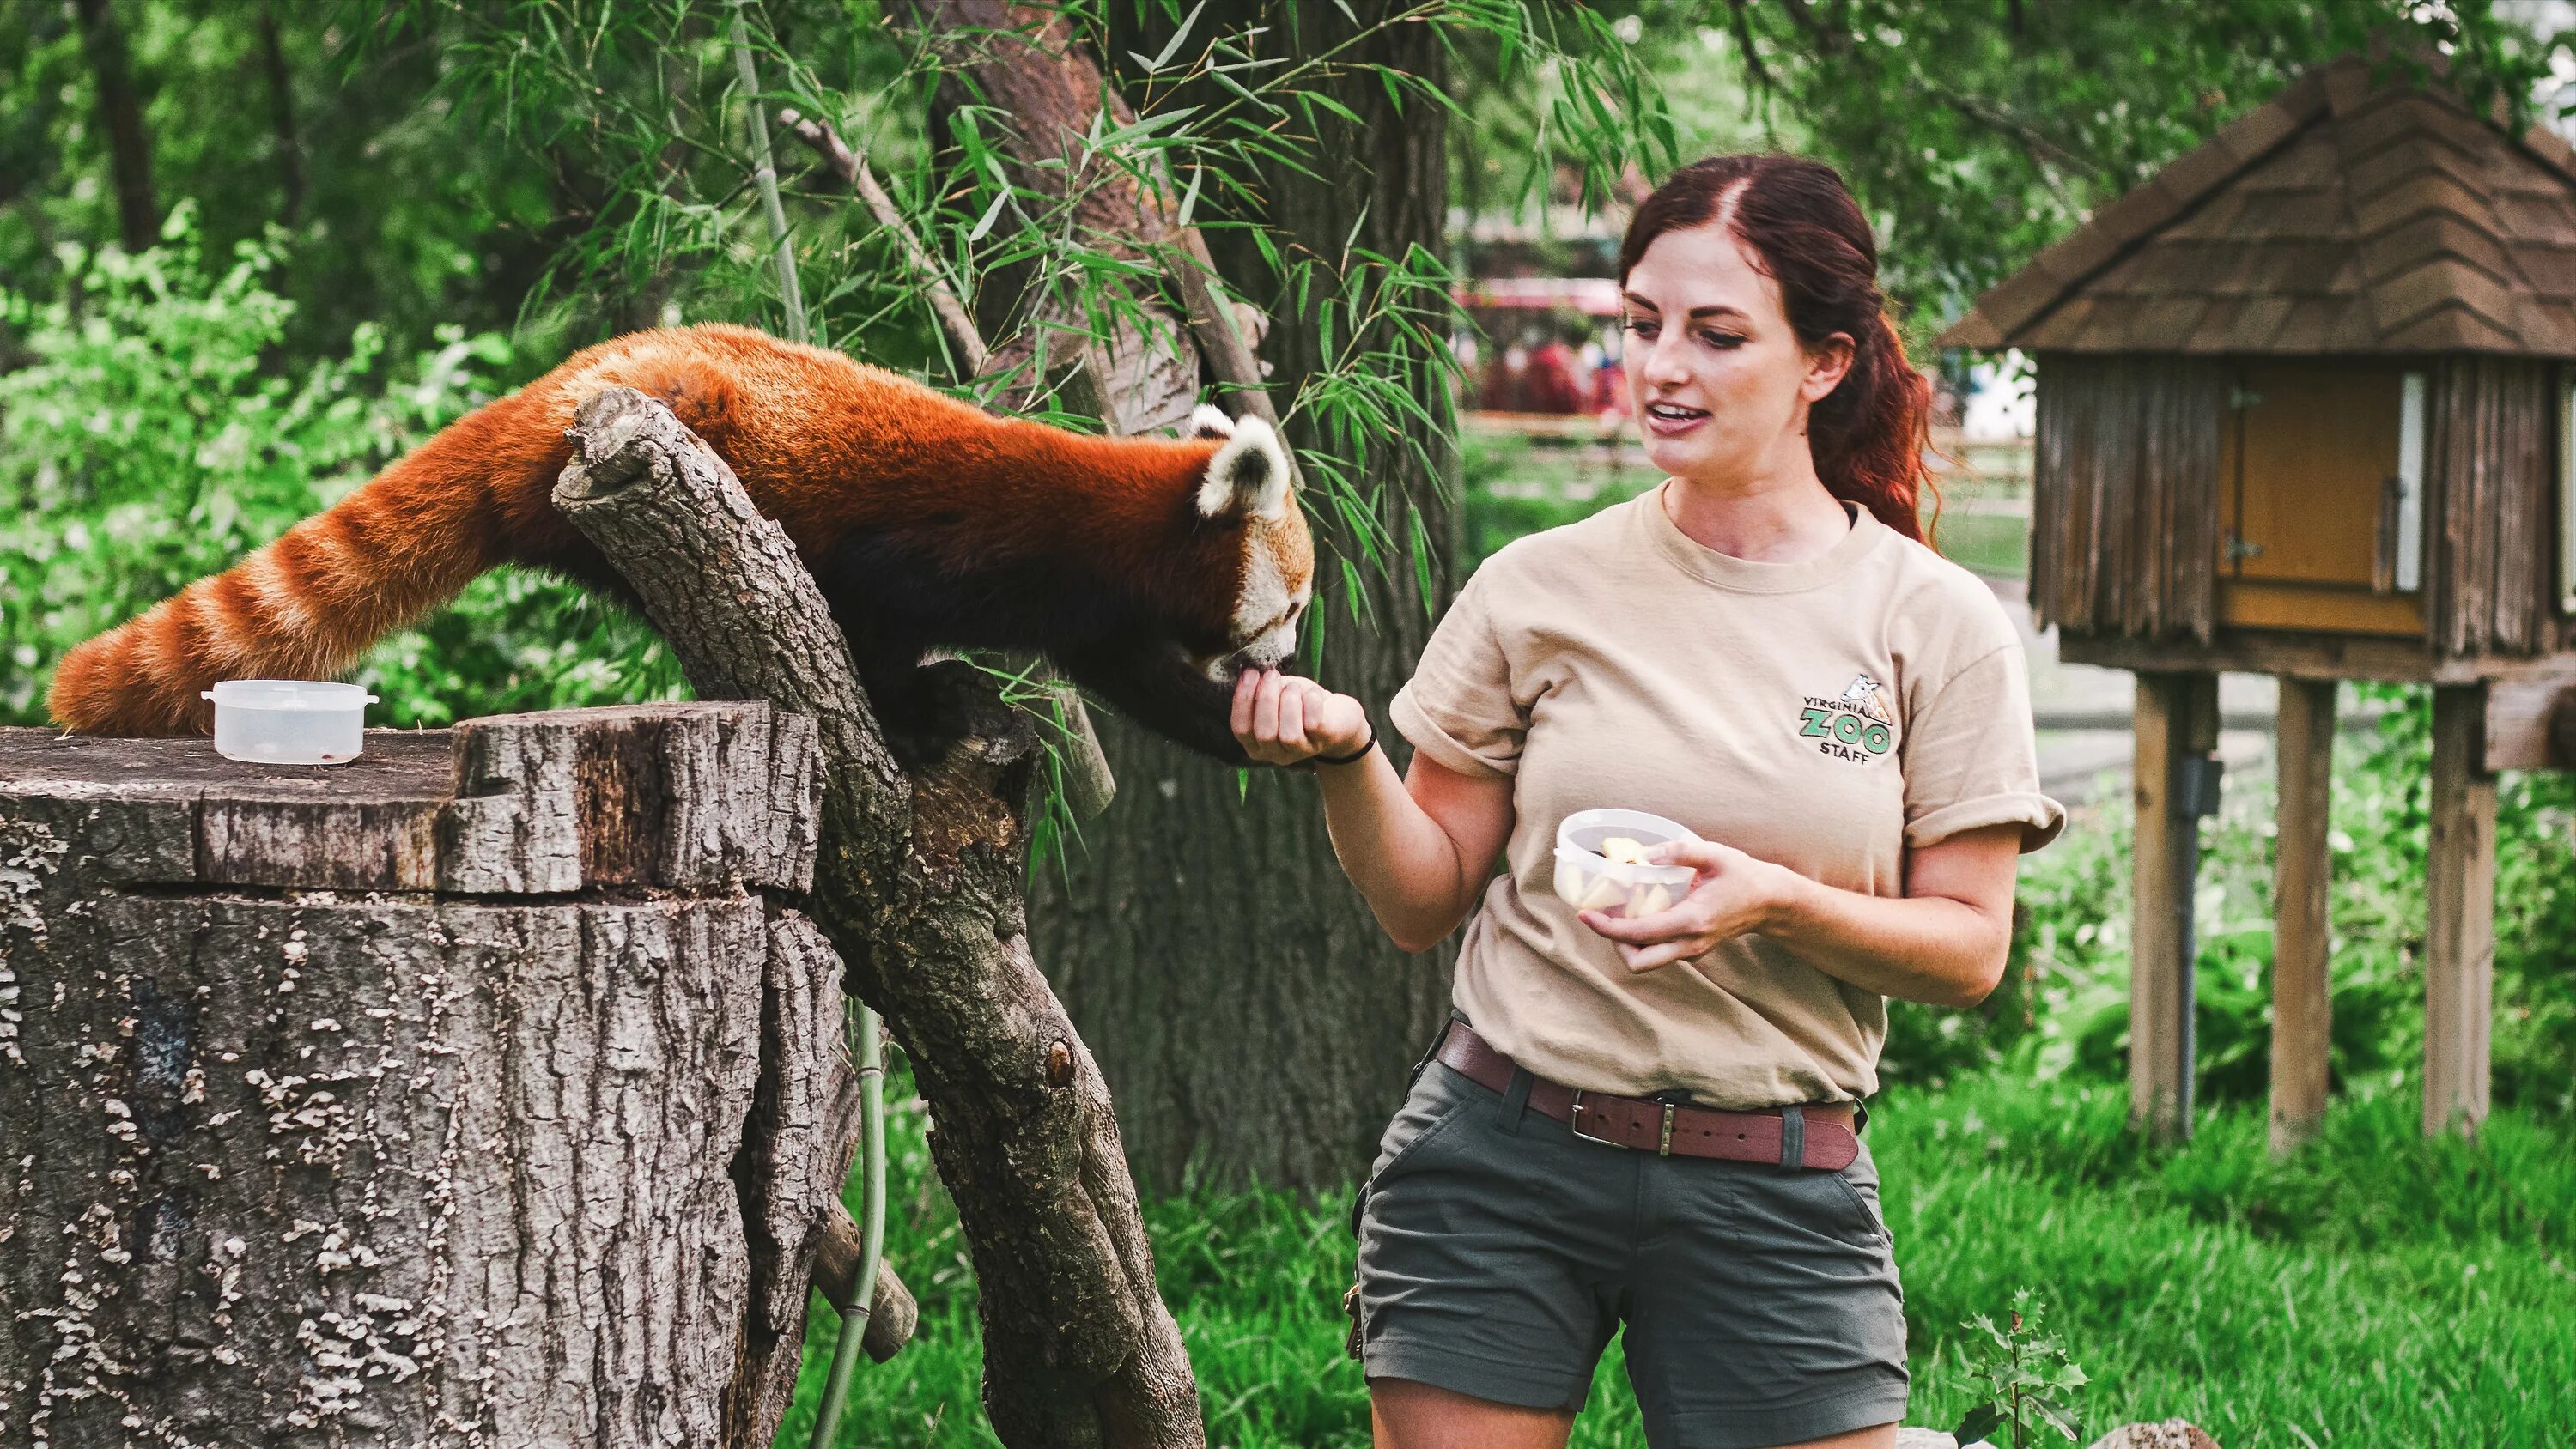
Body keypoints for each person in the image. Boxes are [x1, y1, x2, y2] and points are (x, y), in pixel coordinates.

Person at [1228, 154, 2065, 1449]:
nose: (1661, 366)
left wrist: (1773, 905)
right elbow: (1421, 900)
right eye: (1641, 324)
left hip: (1775, 1181)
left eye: (1717, 334)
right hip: (1503, 1153)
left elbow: (1969, 949)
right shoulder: (1537, 589)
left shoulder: (1933, 623)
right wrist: (1348, 759)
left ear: (1825, 363)